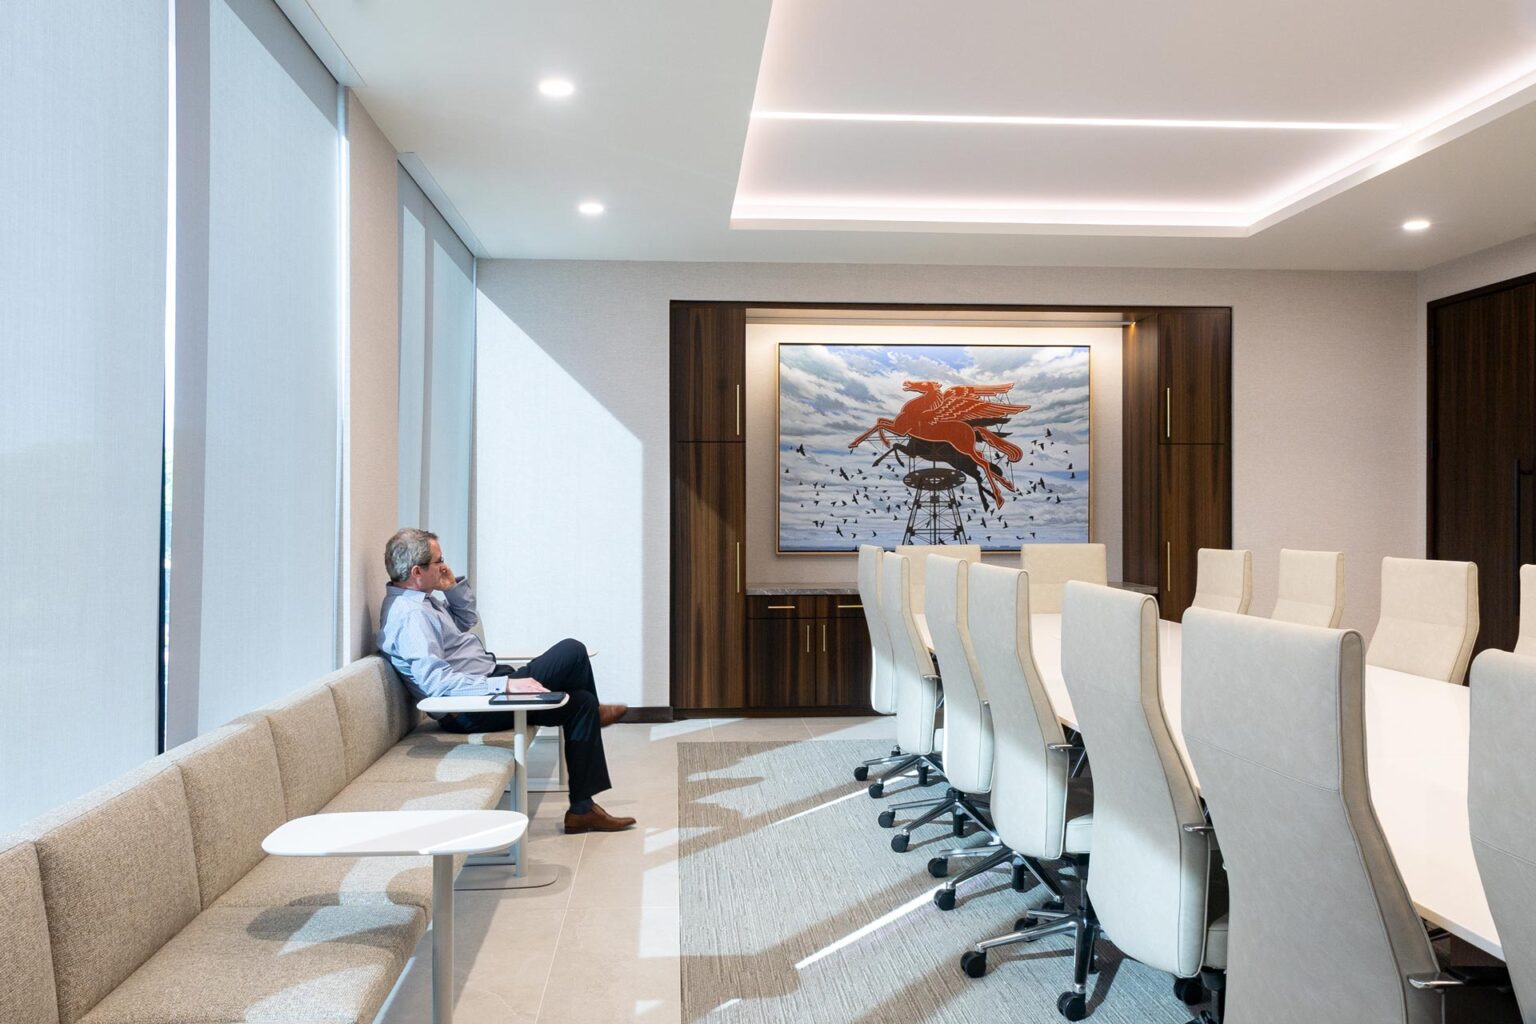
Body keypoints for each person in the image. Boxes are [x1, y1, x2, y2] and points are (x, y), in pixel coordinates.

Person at [377, 527, 635, 833]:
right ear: (416, 571)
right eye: (439, 561)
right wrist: (506, 686)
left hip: (487, 686)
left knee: (581, 703)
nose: (445, 566)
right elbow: (436, 685)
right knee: (572, 651)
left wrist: (451, 588)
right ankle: (596, 716)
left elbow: (466, 621)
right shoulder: (410, 616)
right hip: (470, 708)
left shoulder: (423, 599)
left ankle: (582, 809)